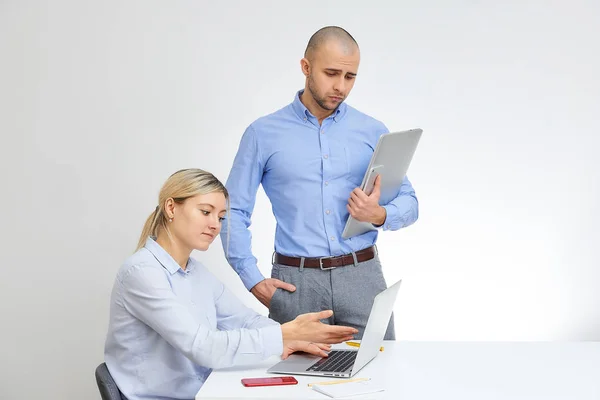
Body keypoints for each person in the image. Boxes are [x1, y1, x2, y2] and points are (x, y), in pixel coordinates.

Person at [221, 26, 419, 340]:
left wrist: (378, 214)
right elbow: (232, 211)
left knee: (381, 379)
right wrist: (251, 278)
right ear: (306, 67)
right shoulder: (262, 134)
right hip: (295, 284)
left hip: (362, 278)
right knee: (299, 385)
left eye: (350, 76)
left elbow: (409, 201)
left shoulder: (372, 131)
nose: (340, 86)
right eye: (331, 73)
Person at [103, 168, 358, 400]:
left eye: (221, 217)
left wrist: (296, 338)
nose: (215, 225)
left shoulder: (195, 272)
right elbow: (202, 347)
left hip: (208, 390)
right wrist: (283, 335)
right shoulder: (142, 273)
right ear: (171, 208)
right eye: (206, 212)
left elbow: (245, 320)